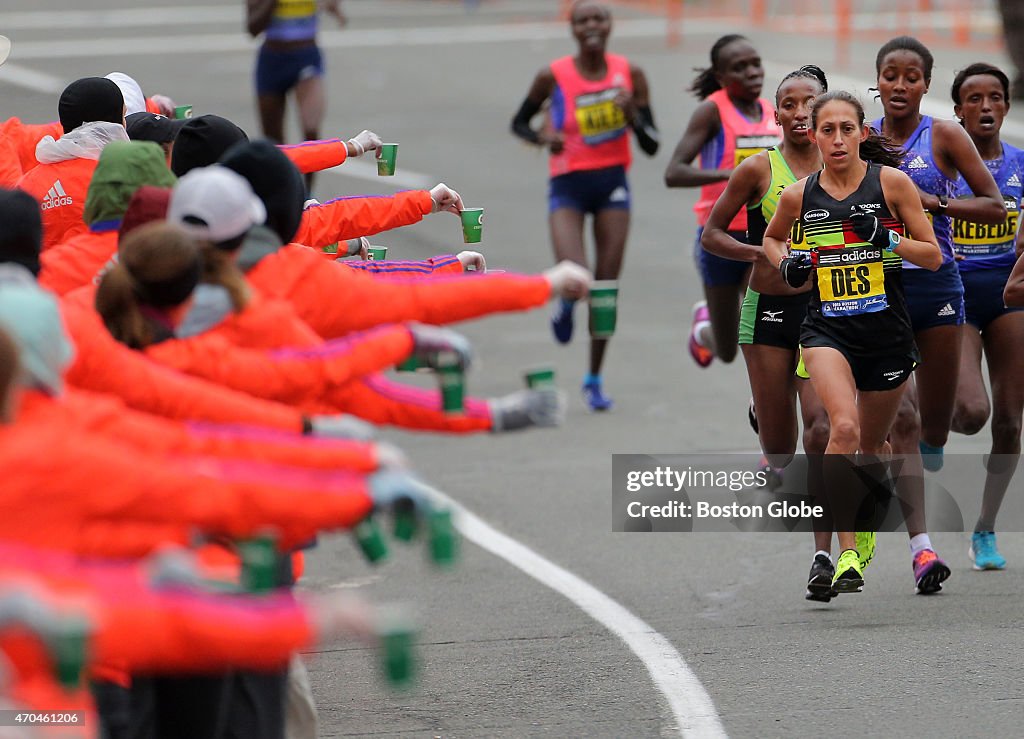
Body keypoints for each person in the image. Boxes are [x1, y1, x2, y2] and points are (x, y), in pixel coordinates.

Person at [762, 90, 942, 593]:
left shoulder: (892, 184)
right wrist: (785, 261)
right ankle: (847, 552)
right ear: (812, 135)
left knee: (873, 444)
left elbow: (932, 257)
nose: (837, 139)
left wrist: (883, 238)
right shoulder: (800, 195)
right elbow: (774, 238)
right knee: (842, 427)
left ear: (864, 133)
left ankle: (862, 529)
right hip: (827, 330)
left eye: (846, 129)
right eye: (827, 130)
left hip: (885, 332)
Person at [871, 36, 1005, 592]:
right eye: (890, 76)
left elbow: (994, 204)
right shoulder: (862, 137)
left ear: (926, 85)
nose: (900, 86)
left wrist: (934, 204)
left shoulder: (944, 136)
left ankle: (927, 440)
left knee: (943, 419)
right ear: (876, 81)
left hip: (938, 282)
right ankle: (922, 550)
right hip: (880, 285)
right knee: (900, 419)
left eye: (911, 77)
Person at [701, 65, 833, 600]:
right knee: (781, 452)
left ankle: (823, 556)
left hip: (828, 313)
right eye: (790, 105)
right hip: (770, 314)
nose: (800, 114)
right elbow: (711, 234)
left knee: (821, 430)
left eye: (810, 104)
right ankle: (764, 411)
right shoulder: (758, 169)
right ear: (774, 113)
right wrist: (762, 250)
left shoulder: (845, 167)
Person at [510, 0, 657, 411]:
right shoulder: (553, 75)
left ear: (610, 25)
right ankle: (565, 303)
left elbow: (652, 144)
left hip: (613, 184)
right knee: (576, 276)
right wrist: (543, 139)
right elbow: (518, 122)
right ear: (572, 28)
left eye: (599, 18)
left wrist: (633, 118)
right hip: (567, 186)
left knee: (606, 289)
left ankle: (594, 378)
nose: (592, 26)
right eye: (584, 20)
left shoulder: (631, 74)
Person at [946, 63, 1024, 570]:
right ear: (957, 112)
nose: (986, 106)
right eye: (974, 99)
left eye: (995, 97)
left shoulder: (1022, 164)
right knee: (971, 415)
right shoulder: (942, 166)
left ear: (1007, 106)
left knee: (1011, 420)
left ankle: (986, 529)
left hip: (1009, 299)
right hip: (954, 299)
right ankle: (930, 423)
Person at [665, 34, 780, 370]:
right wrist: (732, 175)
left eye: (755, 64)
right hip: (721, 238)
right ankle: (703, 329)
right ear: (720, 77)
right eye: (739, 68)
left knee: (765, 324)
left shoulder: (773, 112)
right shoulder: (711, 112)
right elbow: (674, 172)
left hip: (763, 237)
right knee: (727, 350)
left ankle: (765, 395)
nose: (752, 73)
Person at [15, 77, 128, 250]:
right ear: (114, 121)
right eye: (123, 115)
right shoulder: (121, 176)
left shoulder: (27, 184)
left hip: (44, 275)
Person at [246, 0, 347, 191]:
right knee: (272, 142)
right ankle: (280, 195)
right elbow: (252, 28)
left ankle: (306, 196)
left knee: (311, 128)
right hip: (272, 61)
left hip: (306, 57)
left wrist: (335, 9)